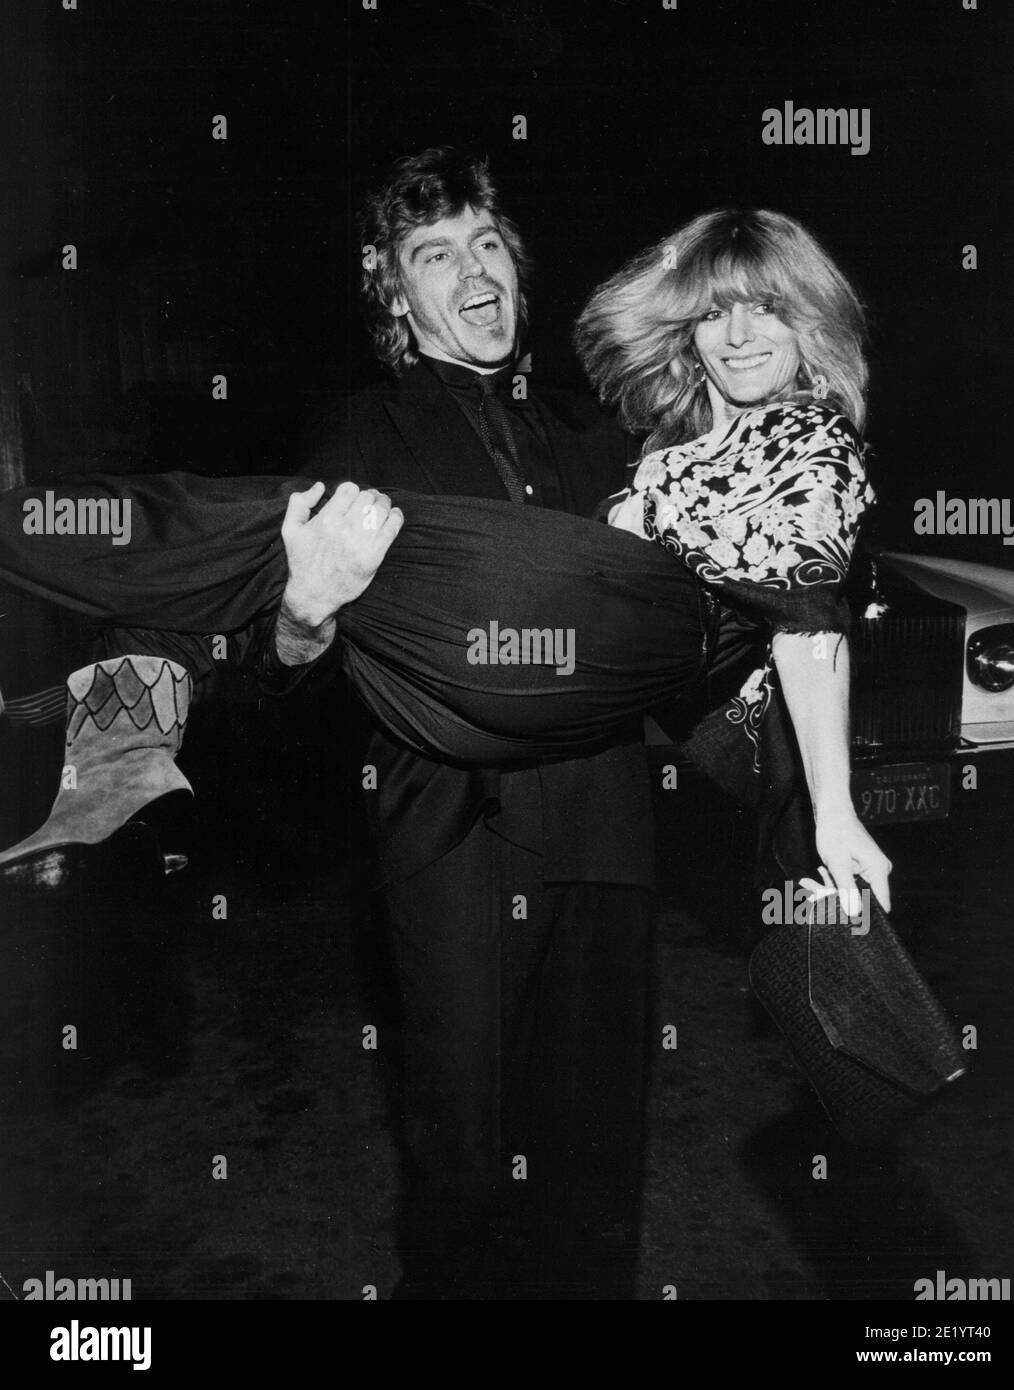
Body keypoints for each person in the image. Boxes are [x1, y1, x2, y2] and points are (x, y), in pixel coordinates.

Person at [0, 180, 894, 1292]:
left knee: (595, 1157)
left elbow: (738, 545)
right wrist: (304, 613)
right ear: (395, 296)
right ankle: (105, 629)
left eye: (488, 246)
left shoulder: (603, 430)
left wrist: (796, 440)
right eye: (435, 254)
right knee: (463, 1158)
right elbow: (287, 686)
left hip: (603, 823)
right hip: (450, 832)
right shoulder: (364, 427)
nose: (474, 273)